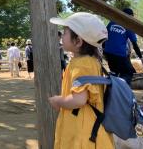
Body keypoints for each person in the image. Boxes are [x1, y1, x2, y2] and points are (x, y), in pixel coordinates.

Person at [49, 12, 114, 149]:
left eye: (65, 32)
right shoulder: (91, 61)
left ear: (78, 41)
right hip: (89, 125)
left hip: (82, 130)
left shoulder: (81, 65)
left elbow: (79, 100)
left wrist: (57, 100)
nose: (62, 35)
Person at [103, 7, 143, 86]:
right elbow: (135, 44)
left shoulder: (112, 22)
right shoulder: (128, 26)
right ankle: (123, 91)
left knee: (115, 72)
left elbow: (104, 35)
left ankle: (112, 90)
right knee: (129, 72)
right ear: (130, 16)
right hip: (119, 54)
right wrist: (141, 58)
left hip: (108, 53)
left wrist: (104, 49)